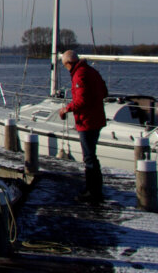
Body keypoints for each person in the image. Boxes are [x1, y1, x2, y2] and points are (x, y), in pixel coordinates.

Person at [58, 49, 108, 203]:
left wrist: (67, 108)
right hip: (96, 119)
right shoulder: (91, 71)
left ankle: (93, 192)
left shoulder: (80, 74)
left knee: (89, 158)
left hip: (87, 121)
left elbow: (81, 101)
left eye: (64, 65)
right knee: (91, 156)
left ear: (68, 63)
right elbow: (104, 92)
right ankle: (94, 189)